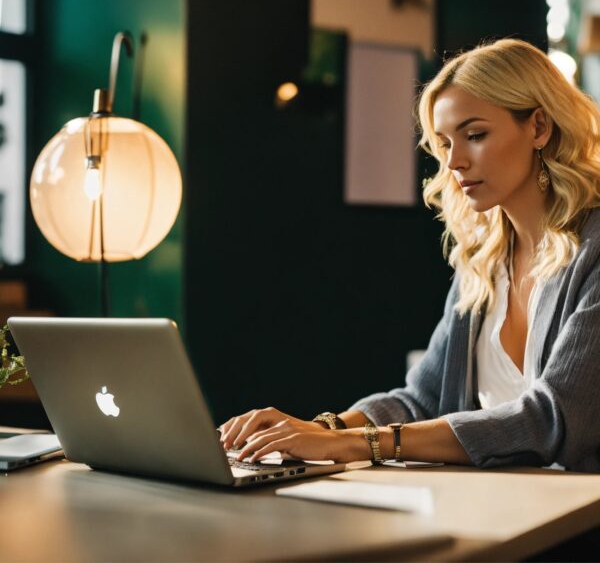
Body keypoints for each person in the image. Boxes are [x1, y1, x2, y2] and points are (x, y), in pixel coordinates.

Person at [219, 38, 600, 472]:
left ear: (538, 127)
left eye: (475, 135)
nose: (454, 161)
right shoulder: (483, 258)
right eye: (444, 143)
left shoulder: (595, 249)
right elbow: (420, 400)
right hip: (495, 512)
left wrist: (360, 444)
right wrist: (321, 429)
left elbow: (553, 419)